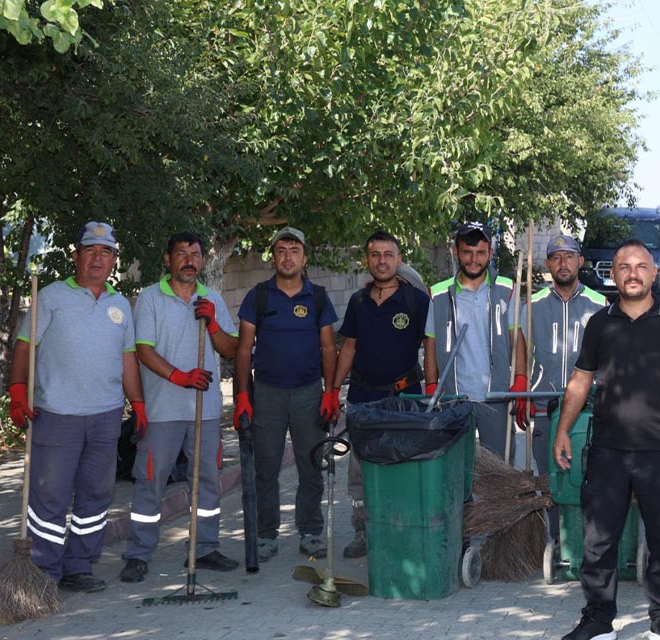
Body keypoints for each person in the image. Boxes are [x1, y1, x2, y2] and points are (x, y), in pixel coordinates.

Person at [554, 239, 660, 640]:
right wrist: (563, 429)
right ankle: (598, 621)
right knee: (598, 541)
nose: (633, 273)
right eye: (624, 267)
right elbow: (581, 381)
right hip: (607, 451)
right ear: (614, 275)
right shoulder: (599, 323)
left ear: (654, 273)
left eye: (641, 266)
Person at [7, 221, 145, 593]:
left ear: (114, 260)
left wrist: (138, 403)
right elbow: (24, 346)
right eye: (90, 251)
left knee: (96, 495)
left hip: (106, 416)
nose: (98, 258)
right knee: (49, 495)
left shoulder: (120, 305)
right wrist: (18, 390)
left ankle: (79, 566)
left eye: (106, 252)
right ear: (76, 256)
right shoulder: (51, 297)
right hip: (57, 415)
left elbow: (128, 358)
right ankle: (43, 570)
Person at [119, 232, 240, 583]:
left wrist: (213, 323)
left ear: (203, 260)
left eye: (196, 254)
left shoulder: (211, 298)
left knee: (207, 481)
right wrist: (179, 376)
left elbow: (230, 348)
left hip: (206, 409)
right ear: (168, 259)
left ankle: (205, 547)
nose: (189, 260)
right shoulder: (150, 298)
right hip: (163, 409)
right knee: (150, 481)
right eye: (182, 253)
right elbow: (143, 350)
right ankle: (138, 554)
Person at [234, 226, 340, 562]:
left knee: (311, 465)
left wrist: (330, 392)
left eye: (295, 250)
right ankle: (266, 534)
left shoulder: (318, 297)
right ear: (273, 257)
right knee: (265, 468)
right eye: (281, 250)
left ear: (304, 258)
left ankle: (310, 531)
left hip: (309, 393)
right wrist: (242, 396)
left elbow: (328, 348)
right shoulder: (258, 296)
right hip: (267, 393)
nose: (288, 257)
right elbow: (243, 349)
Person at [332, 230, 430, 558]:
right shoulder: (358, 301)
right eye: (375, 255)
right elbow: (348, 347)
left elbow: (431, 347)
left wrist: (432, 391)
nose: (382, 261)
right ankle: (364, 531)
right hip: (363, 399)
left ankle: (403, 531)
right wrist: (332, 390)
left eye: (388, 254)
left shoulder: (416, 302)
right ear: (367, 260)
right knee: (360, 472)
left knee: (402, 466)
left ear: (399, 260)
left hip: (404, 399)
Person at [423, 221, 528, 461]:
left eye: (480, 252)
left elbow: (517, 339)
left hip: (496, 395)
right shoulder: (438, 294)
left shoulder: (507, 289)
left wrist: (521, 379)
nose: (474, 259)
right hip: (453, 397)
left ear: (490, 253)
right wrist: (431, 386)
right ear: (455, 252)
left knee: (499, 466)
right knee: (455, 464)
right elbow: (430, 344)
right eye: (467, 252)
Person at [525, 234, 607, 485]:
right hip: (544, 405)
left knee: (584, 478)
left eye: (569, 257)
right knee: (548, 481)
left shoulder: (599, 305)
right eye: (556, 258)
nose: (563, 263)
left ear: (580, 261)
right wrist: (522, 391)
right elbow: (522, 355)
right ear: (547, 264)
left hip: (587, 408)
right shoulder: (532, 306)